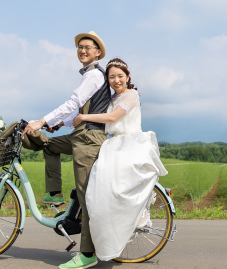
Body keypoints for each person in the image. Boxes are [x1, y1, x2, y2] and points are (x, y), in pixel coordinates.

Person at [22, 31, 109, 269]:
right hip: (80, 134)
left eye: (87, 47)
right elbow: (80, 112)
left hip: (89, 139)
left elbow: (72, 103)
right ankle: (55, 193)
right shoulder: (91, 75)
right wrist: (62, 123)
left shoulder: (93, 75)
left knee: (85, 196)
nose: (82, 51)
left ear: (97, 52)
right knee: (49, 145)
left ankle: (88, 253)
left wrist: (41, 121)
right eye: (80, 47)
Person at [72, 57, 168, 262]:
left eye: (120, 76)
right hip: (113, 145)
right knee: (100, 193)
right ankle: (106, 239)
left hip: (130, 144)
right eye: (112, 77)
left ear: (128, 77)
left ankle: (138, 215)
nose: (116, 80)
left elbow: (113, 118)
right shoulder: (110, 99)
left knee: (115, 187)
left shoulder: (131, 95)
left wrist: (84, 117)